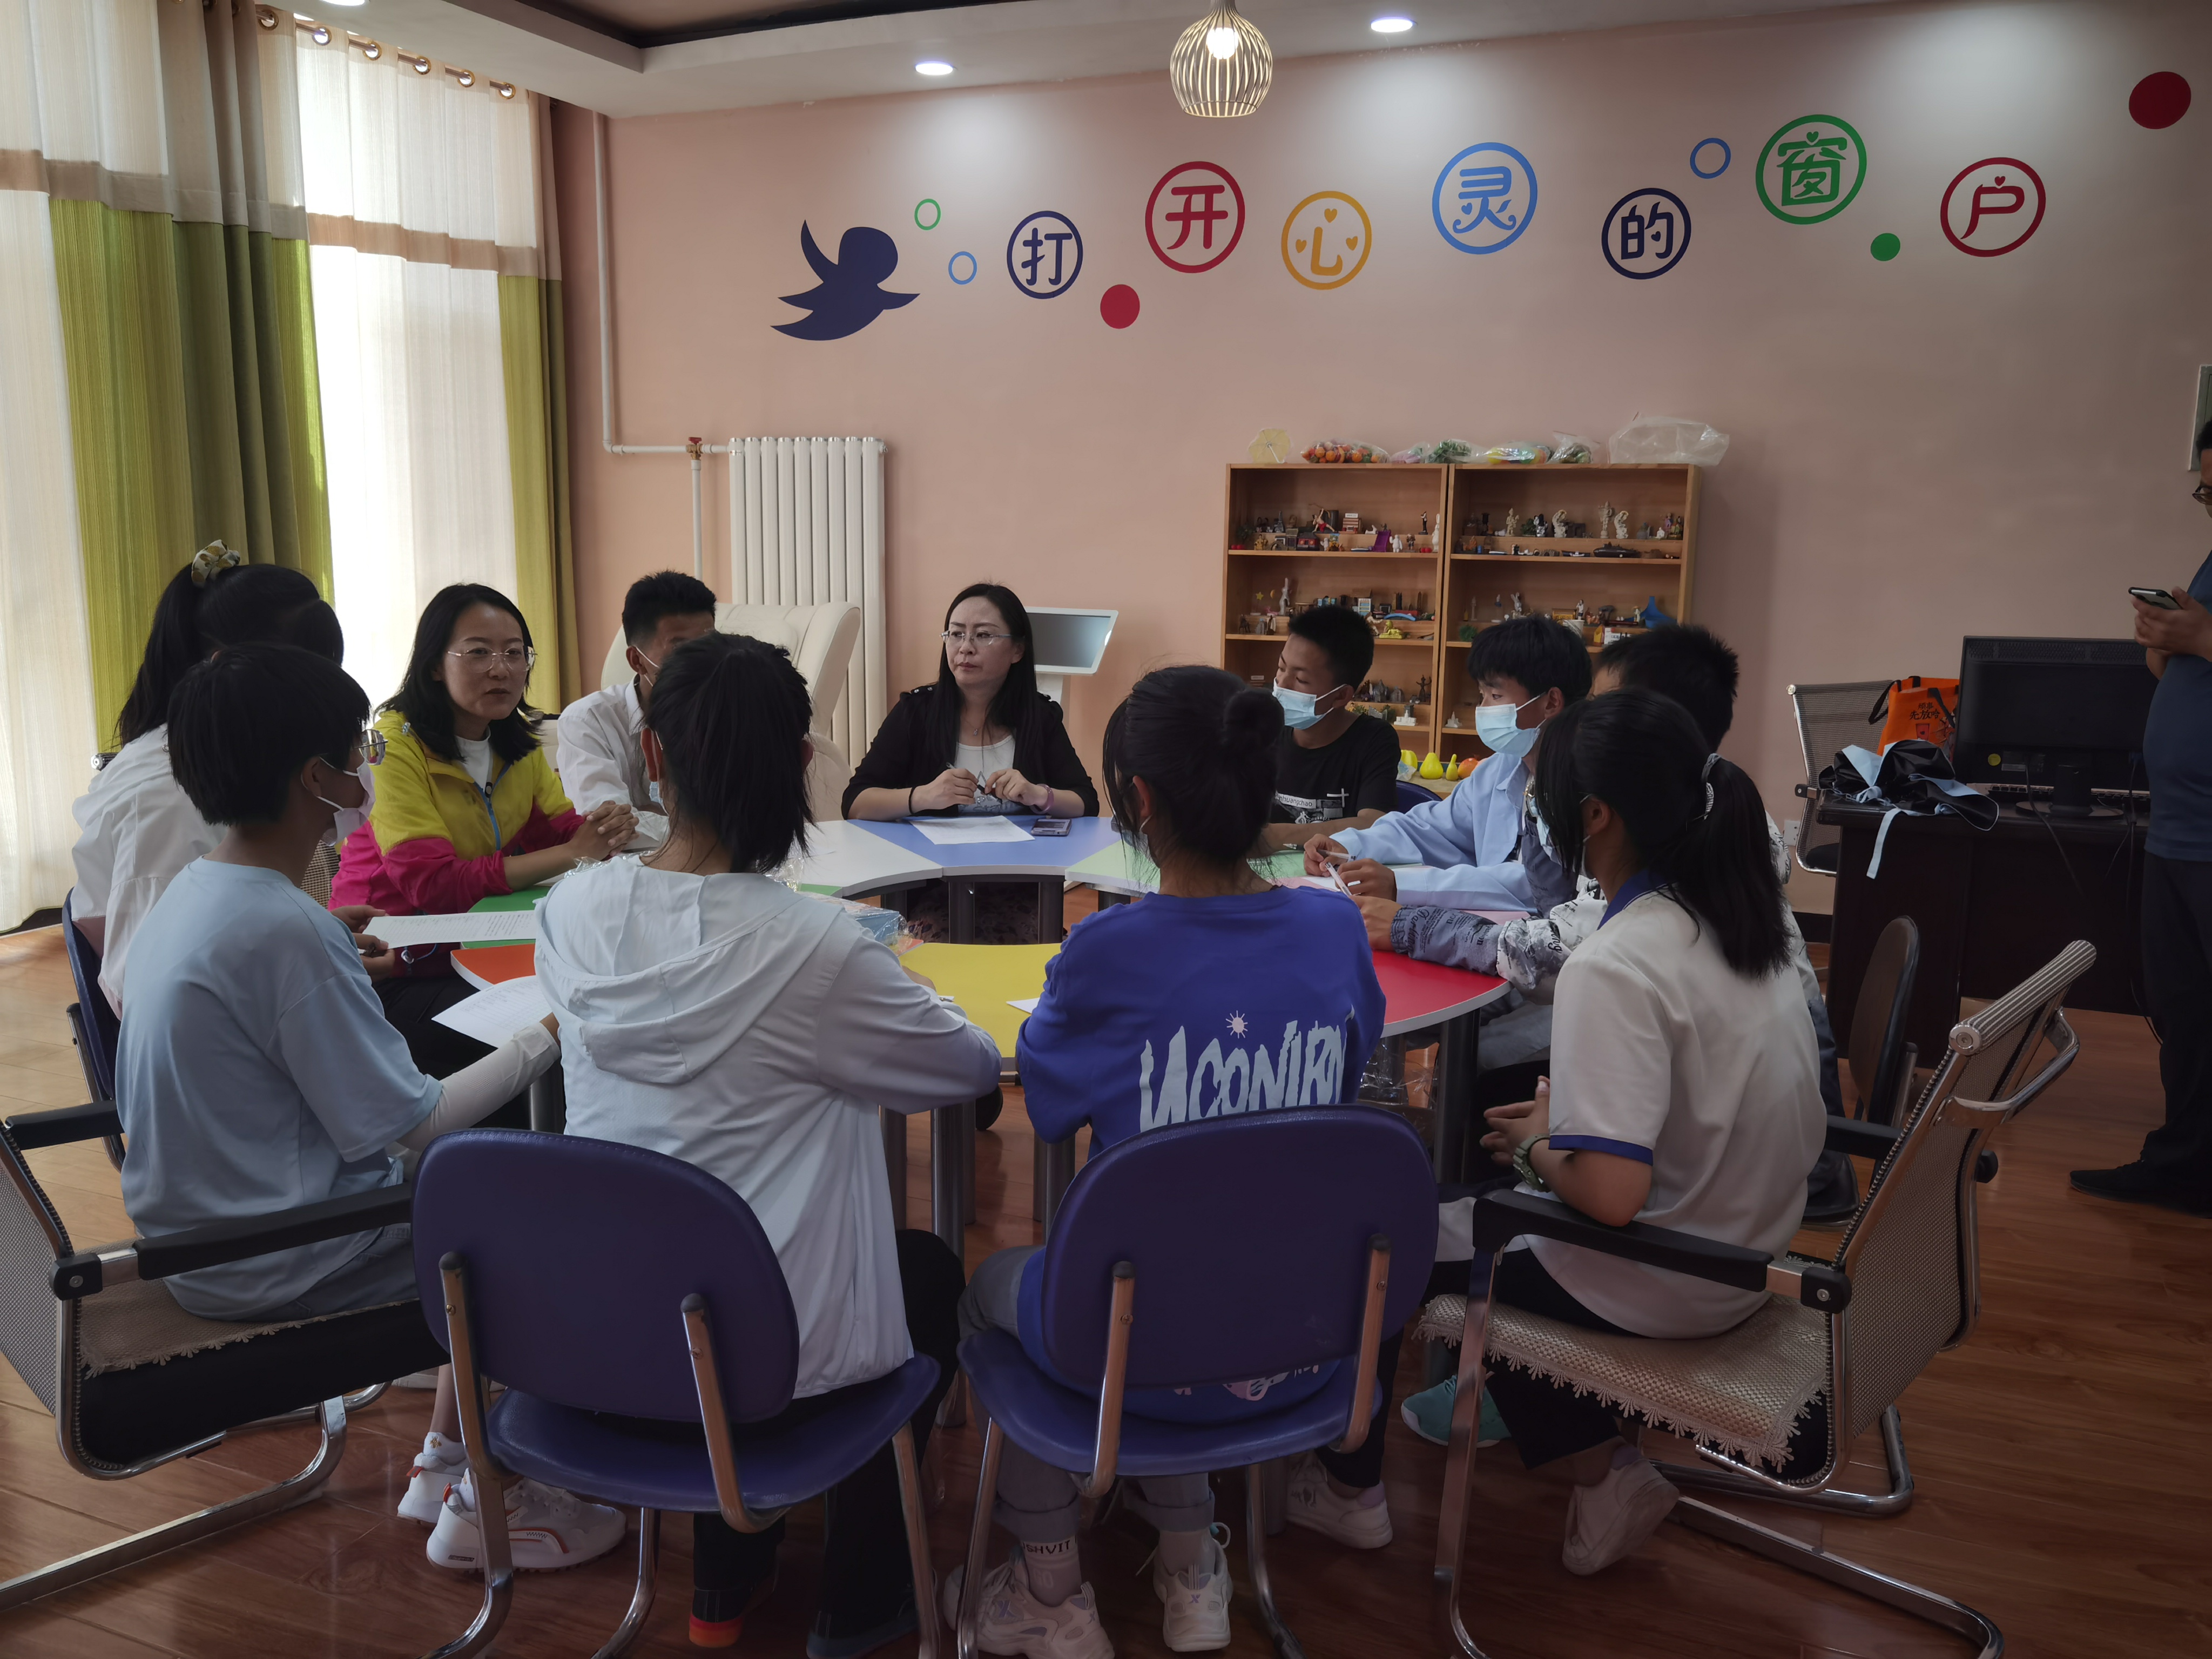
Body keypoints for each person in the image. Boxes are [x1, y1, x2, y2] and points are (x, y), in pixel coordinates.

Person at [534, 631, 1000, 1655]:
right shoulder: (819, 947)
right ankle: (865, 1599)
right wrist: (902, 979)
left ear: (652, 756)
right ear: (798, 764)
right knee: (923, 1273)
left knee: (692, 1256)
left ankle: (726, 1580)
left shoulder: (569, 912)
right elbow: (968, 1068)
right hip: (768, 1376)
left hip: (605, 1350)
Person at [117, 641, 625, 1575]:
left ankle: (445, 1464)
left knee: (491, 1179)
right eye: (360, 752)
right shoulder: (283, 929)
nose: (367, 768)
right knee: (535, 1200)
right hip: (280, 1258)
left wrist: (324, 952)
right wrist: (551, 1029)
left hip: (199, 1237)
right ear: (316, 777)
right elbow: (417, 1126)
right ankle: (493, 1496)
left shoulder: (201, 892)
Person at [949, 666, 1386, 1659]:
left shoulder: (1108, 949)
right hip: (1306, 1346)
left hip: (1141, 1350)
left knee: (999, 1293)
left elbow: (1050, 1107)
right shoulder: (1333, 927)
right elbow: (1347, 1073)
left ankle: (1050, 1586)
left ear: (1138, 799)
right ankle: (1193, 1567)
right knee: (1191, 1256)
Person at [1470, 689, 1826, 1576]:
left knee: (1439, 1235)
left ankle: (1603, 1473)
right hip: (1753, 1251)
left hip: (1675, 1279)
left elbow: (1611, 1198)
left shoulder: (1615, 961)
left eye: (1544, 796)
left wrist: (1537, 1146)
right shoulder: (1743, 916)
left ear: (1594, 815)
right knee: (1501, 1197)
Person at [333, 584, 633, 1103]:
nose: (501, 669)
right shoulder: (393, 747)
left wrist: (604, 829)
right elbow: (432, 884)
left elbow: (558, 829)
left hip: (479, 944)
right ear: (434, 665)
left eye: (515, 653)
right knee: (568, 1034)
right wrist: (573, 851)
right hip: (392, 966)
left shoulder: (515, 739)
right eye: (479, 653)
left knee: (596, 1006)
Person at [70, 544, 380, 1011]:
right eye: (311, 684)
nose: (323, 712)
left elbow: (220, 939)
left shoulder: (220, 760)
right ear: (229, 668)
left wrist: (315, 939)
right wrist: (312, 969)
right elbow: (148, 989)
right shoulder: (170, 799)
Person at [2074, 419, 2212, 1215]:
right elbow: (2182, 671)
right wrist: (2164, 642)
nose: (2210, 506)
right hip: (2178, 831)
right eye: (2206, 492)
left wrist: (2206, 635)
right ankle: (2183, 1163)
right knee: (2185, 1012)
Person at [843, 583, 1098, 941]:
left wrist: (1039, 794)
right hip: (931, 890)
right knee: (929, 946)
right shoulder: (915, 713)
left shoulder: (1039, 717)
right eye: (956, 634)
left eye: (983, 635)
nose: (965, 647)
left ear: (1018, 650)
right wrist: (922, 796)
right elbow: (855, 802)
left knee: (1049, 953)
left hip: (1021, 889)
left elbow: (1086, 802)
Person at [1300, 612, 1584, 914]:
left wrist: (1401, 885)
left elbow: (1540, 885)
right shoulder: (1499, 769)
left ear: (1551, 702)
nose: (1483, 709)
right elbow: (1427, 829)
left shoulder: (1585, 782)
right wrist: (1349, 845)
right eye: (1482, 695)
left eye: (1495, 695)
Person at [555, 569, 719, 853]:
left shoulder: (728, 710)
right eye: (683, 651)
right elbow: (608, 831)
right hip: (626, 870)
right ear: (637, 661)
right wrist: (702, 828)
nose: (703, 664)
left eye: (710, 646)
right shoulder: (588, 720)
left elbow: (748, 815)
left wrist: (643, 817)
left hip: (716, 865)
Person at [1257, 602, 1401, 847]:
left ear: (1341, 696)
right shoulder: (1263, 729)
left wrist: (1277, 837)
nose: (1282, 684)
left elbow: (1375, 823)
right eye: (1281, 668)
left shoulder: (1374, 739)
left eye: (1301, 679)